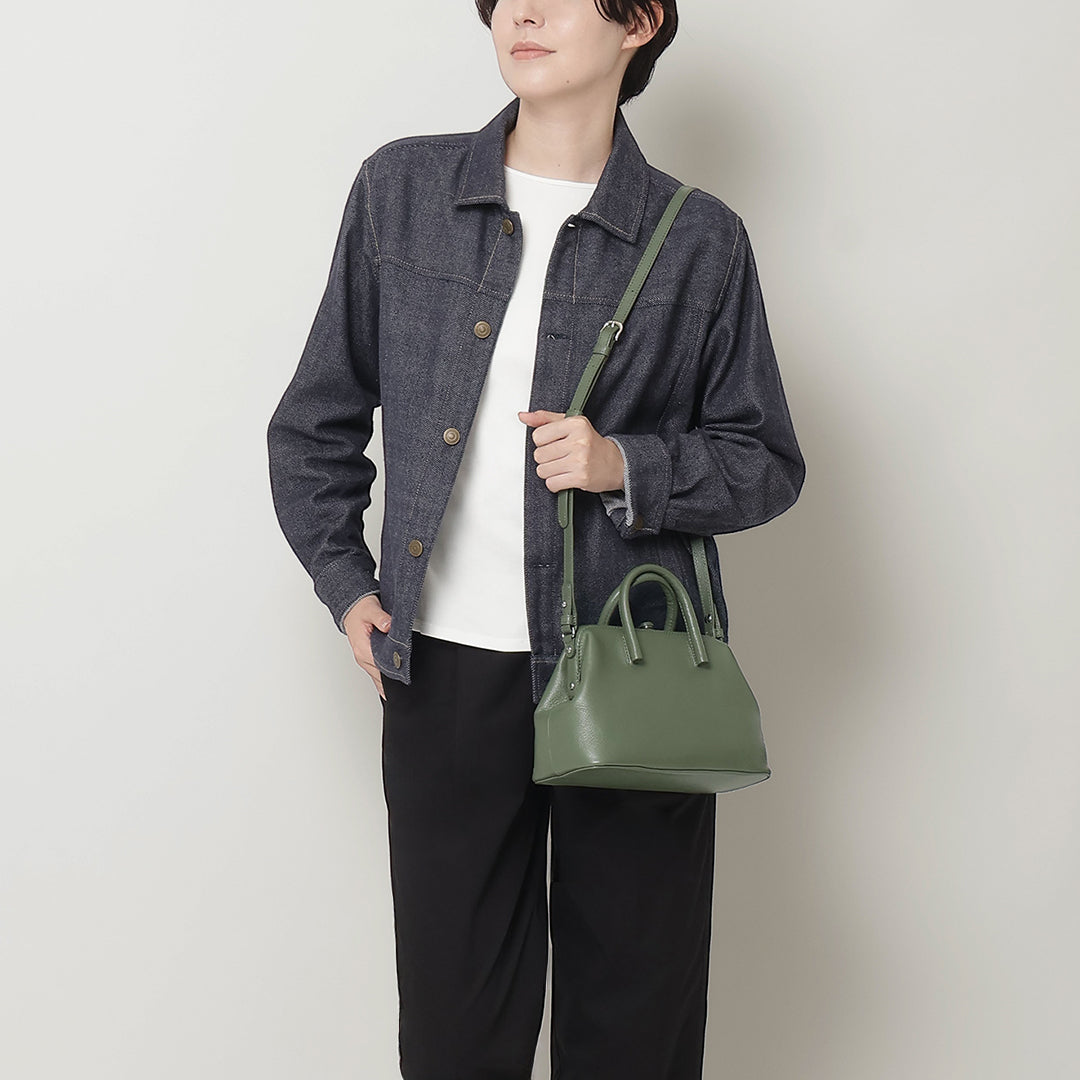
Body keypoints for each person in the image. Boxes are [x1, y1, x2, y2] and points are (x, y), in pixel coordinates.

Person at [267, 2, 805, 1077]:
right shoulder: (402, 191)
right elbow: (314, 422)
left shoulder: (699, 239)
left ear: (639, 22)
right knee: (455, 1033)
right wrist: (346, 582)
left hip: (631, 673)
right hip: (444, 677)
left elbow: (765, 462)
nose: (522, 10)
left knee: (634, 1027)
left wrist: (626, 467)